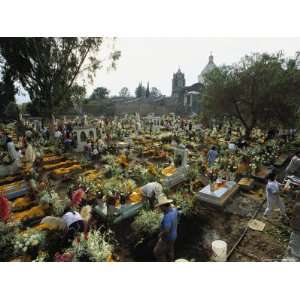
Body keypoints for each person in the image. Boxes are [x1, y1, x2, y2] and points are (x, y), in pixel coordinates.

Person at [154, 195, 178, 262]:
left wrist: (160, 235)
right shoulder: (174, 210)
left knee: (157, 252)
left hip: (167, 238)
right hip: (174, 235)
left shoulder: (167, 217)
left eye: (160, 207)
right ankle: (171, 260)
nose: (160, 208)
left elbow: (167, 230)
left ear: (164, 206)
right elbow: (173, 207)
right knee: (170, 249)